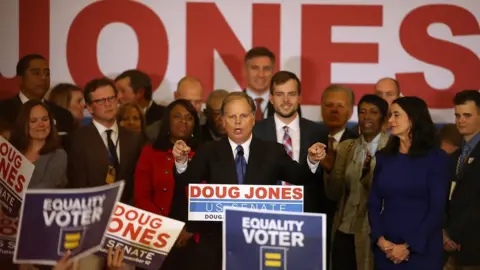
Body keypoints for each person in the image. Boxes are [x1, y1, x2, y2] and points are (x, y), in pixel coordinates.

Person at [171, 92, 326, 270]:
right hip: (216, 246)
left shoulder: (272, 151)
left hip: (259, 244)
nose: (237, 122)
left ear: (253, 119)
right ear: (223, 120)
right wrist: (181, 162)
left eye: (243, 116)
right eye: (232, 116)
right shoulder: (208, 151)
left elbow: (300, 177)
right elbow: (188, 181)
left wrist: (312, 160)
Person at [368, 96, 450, 269]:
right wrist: (380, 239)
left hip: (422, 250)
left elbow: (437, 209)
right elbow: (374, 202)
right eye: (390, 115)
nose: (390, 120)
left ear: (413, 119)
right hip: (386, 250)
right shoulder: (384, 157)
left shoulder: (436, 159)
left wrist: (408, 246)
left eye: (396, 115)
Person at [135, 99, 201, 270]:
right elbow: (141, 197)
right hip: (156, 232)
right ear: (167, 121)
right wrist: (166, 229)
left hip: (193, 233)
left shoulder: (204, 153)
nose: (183, 121)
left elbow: (208, 196)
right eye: (177, 116)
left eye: (189, 117)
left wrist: (190, 228)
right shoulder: (150, 152)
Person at [325, 95, 389, 270]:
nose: (366, 117)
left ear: (384, 119)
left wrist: (369, 172)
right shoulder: (347, 147)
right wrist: (330, 170)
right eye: (362, 112)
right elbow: (333, 193)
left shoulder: (392, 148)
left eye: (373, 112)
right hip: (344, 228)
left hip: (373, 231)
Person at [444, 90, 480, 270]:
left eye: (467, 115)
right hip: (451, 251)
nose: (461, 120)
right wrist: (445, 233)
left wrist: (454, 234)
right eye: (457, 115)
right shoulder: (454, 157)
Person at [10, 100, 68, 189]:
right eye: (33, 121)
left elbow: (48, 185)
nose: (41, 124)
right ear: (24, 124)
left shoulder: (58, 155)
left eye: (45, 119)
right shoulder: (12, 152)